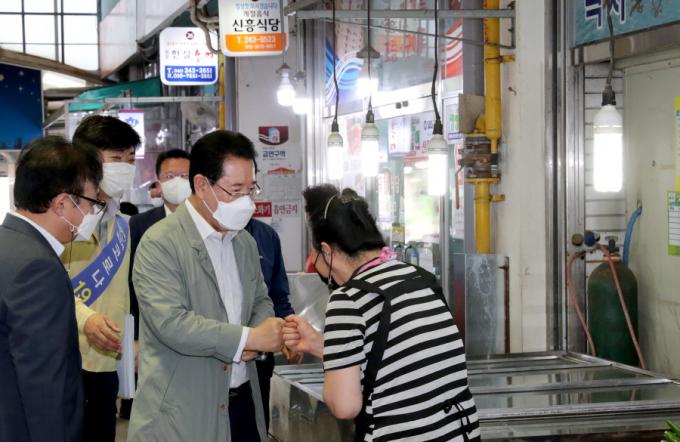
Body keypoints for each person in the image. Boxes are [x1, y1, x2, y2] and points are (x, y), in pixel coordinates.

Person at [283, 185, 480, 442]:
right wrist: (321, 346)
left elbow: (344, 406)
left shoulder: (348, 298)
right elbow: (394, 360)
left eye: (316, 255)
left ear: (327, 251)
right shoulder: (419, 277)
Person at [128, 130, 284, 442]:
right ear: (201, 185)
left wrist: (260, 332)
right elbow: (172, 323)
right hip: (183, 412)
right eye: (235, 191)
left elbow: (260, 300)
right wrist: (247, 338)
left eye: (250, 189)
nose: (246, 201)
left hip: (242, 403)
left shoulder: (244, 242)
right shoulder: (160, 243)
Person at [0, 137, 103, 442]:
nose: (93, 212)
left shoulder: (8, 245)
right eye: (92, 203)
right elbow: (46, 387)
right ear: (61, 204)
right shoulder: (38, 268)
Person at [62, 115, 141, 442]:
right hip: (67, 362)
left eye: (130, 159)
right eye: (116, 158)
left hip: (107, 364)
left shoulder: (122, 224)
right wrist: (86, 319)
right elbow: (47, 288)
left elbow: (123, 295)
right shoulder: (66, 217)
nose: (125, 167)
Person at [120, 148, 191, 420]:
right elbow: (131, 284)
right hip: (153, 336)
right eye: (170, 176)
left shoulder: (210, 222)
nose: (178, 182)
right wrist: (134, 337)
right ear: (158, 182)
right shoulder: (140, 224)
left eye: (184, 175)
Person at [245, 216, 302, 431]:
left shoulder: (266, 236)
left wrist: (291, 336)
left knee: (255, 426)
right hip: (214, 358)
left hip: (259, 358)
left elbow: (278, 298)